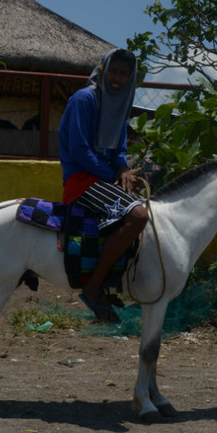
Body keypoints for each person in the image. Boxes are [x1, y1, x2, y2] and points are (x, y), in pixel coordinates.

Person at [58, 48, 149, 323]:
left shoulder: (119, 104)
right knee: (138, 216)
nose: (118, 79)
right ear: (103, 69)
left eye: (124, 74)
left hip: (104, 176)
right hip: (80, 179)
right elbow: (79, 150)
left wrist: (123, 170)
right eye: (114, 71)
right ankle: (93, 287)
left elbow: (119, 148)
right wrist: (113, 174)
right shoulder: (84, 99)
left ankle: (113, 284)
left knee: (146, 207)